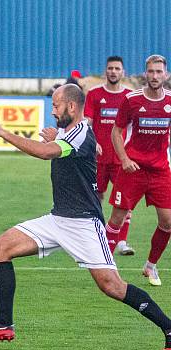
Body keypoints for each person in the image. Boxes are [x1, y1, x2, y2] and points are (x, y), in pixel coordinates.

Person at [0, 84, 171, 350]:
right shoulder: (70, 132)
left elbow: (45, 152)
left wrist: (3, 133)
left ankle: (168, 327)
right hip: (57, 219)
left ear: (71, 107)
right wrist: (55, 137)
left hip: (84, 224)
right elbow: (59, 145)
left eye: (55, 105)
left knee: (112, 286)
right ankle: (3, 324)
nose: (52, 111)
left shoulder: (80, 134)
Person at [104, 55, 171, 286]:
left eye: (158, 72)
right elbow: (116, 132)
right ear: (145, 74)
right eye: (150, 72)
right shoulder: (132, 100)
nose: (154, 76)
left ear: (166, 74)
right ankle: (106, 265)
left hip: (160, 171)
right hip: (133, 170)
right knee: (116, 219)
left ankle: (150, 266)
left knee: (168, 222)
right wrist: (123, 159)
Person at [84, 56, 134, 256]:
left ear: (123, 72)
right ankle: (98, 236)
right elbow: (87, 121)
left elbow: (133, 127)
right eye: (110, 68)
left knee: (125, 200)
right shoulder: (94, 94)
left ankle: (122, 242)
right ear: (105, 71)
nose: (113, 72)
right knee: (97, 197)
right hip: (98, 158)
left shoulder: (131, 96)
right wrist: (92, 141)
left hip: (122, 158)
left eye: (117, 68)